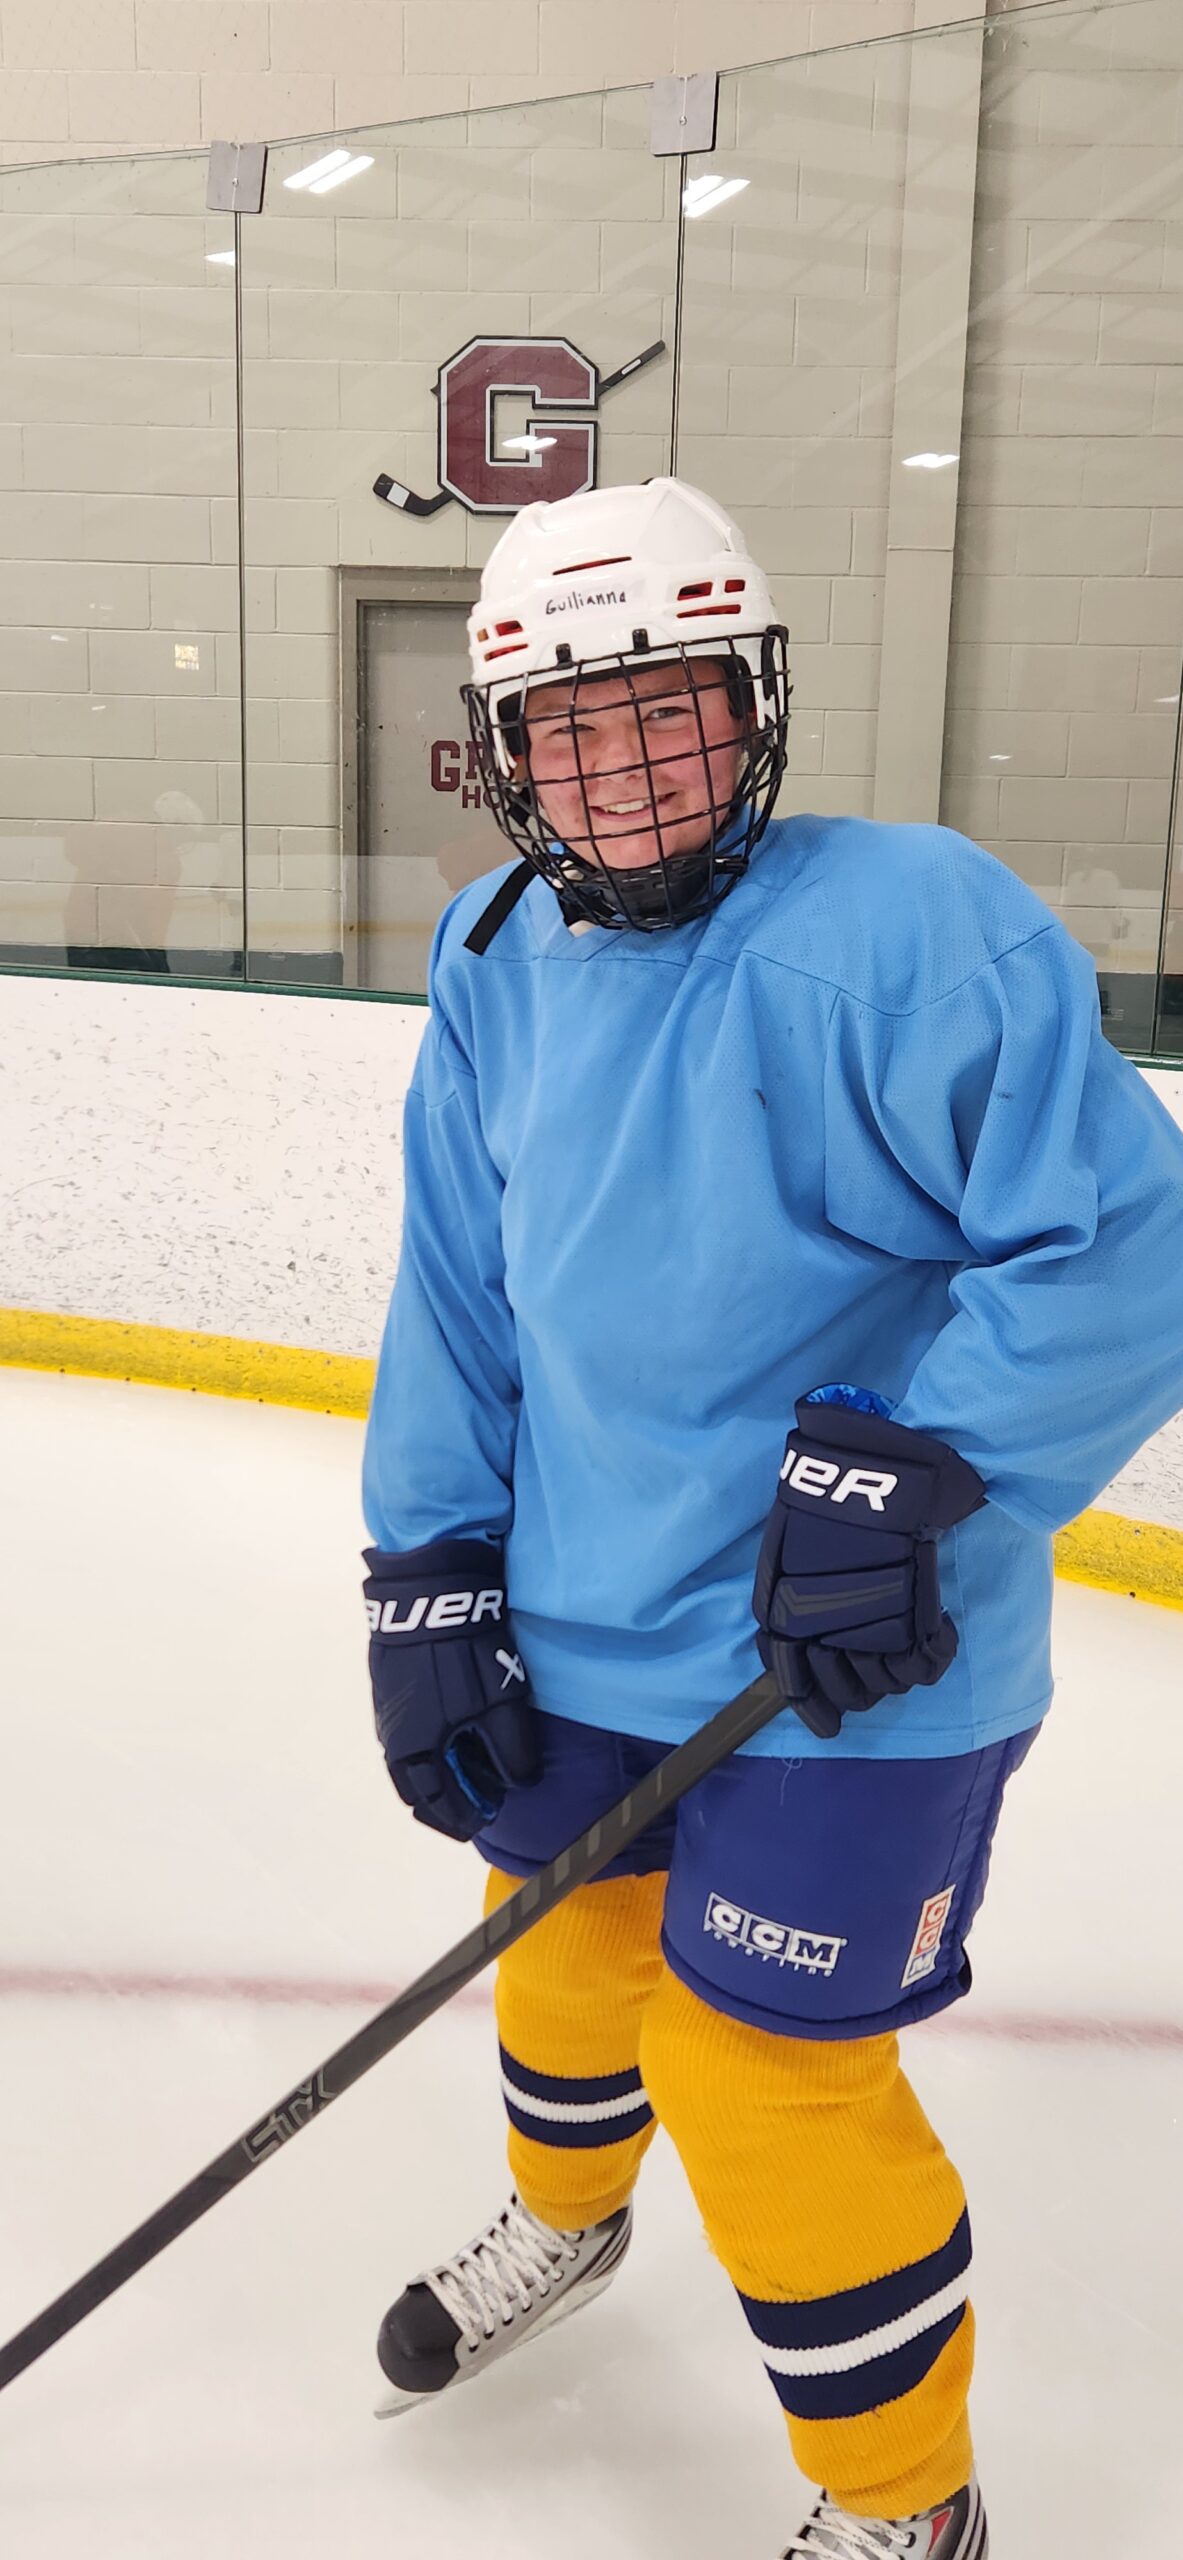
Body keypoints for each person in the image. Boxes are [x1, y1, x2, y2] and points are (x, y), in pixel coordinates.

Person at [360, 478, 1183, 2558]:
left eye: (670, 705)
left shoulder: (915, 930)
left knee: (758, 2074)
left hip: (860, 1655)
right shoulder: (491, 954)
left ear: (752, 702)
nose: (625, 765)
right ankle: (567, 2219)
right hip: (588, 1608)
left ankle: (904, 2502)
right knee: (555, 1951)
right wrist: (430, 1563)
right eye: (570, 724)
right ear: (505, 748)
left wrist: (919, 1457)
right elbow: (460, 1289)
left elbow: (1123, 1242)